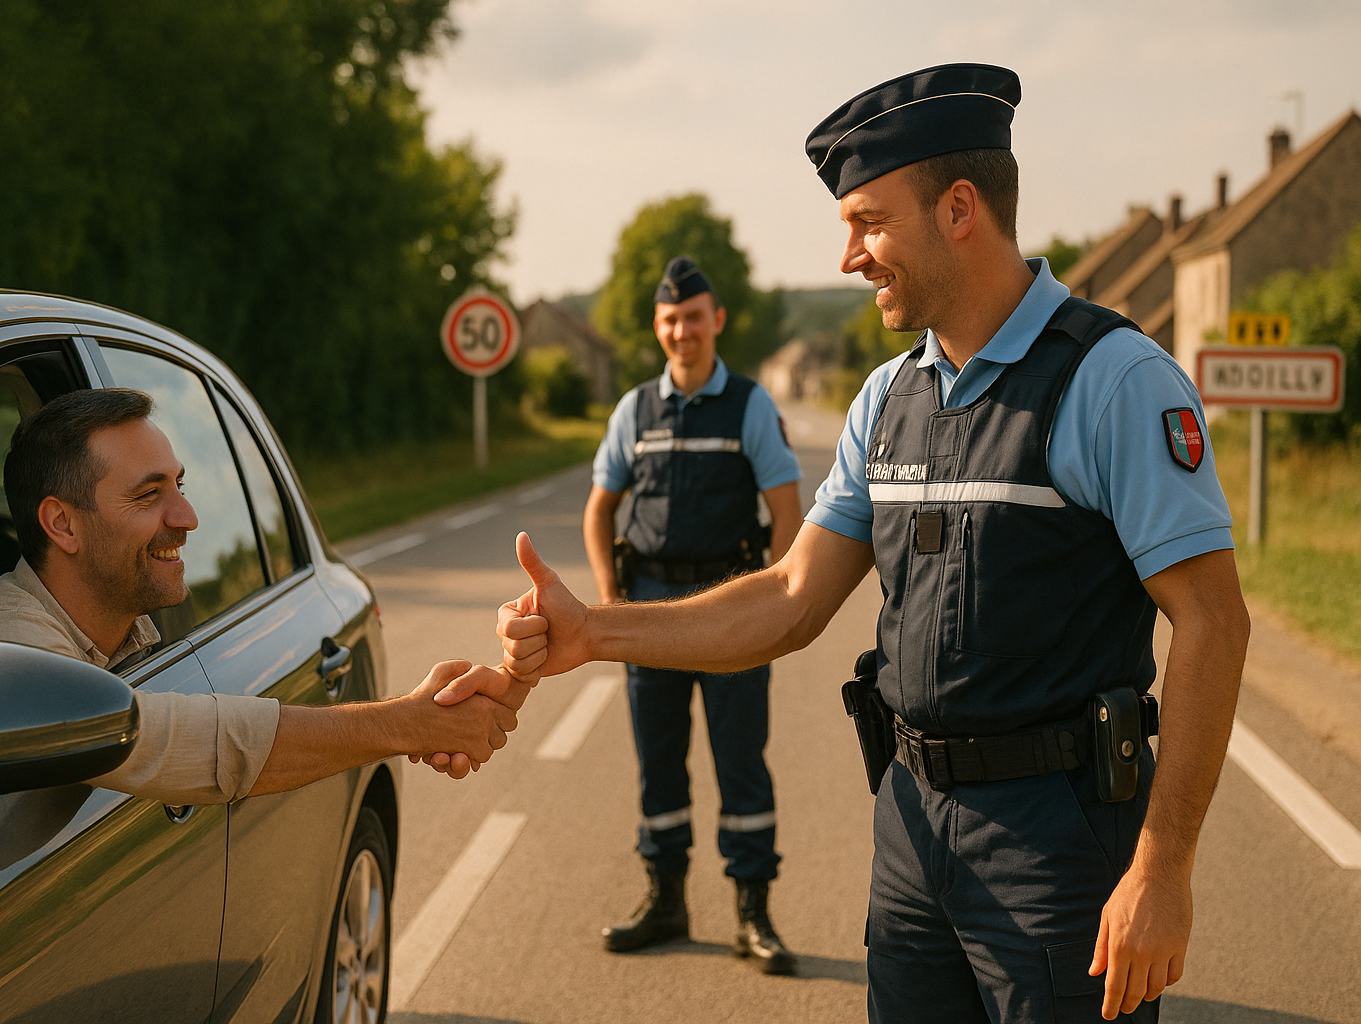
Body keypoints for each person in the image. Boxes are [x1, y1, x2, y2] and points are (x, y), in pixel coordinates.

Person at [476, 64, 1249, 1023]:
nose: (850, 256)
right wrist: (594, 630)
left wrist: (1163, 871)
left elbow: (1214, 623)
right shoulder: (886, 401)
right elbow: (791, 597)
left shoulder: (1113, 380)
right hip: (911, 831)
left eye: (869, 222)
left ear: (959, 207)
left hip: (1059, 846)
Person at [0, 388, 524, 806]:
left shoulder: (135, 628)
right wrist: (409, 723)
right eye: (148, 495)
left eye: (179, 485)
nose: (189, 517)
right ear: (63, 525)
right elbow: (161, 737)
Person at [582, 256, 803, 973]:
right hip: (648, 610)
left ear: (717, 322)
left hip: (730, 612)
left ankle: (752, 915)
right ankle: (666, 901)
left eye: (695, 317)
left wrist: (774, 603)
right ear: (659, 327)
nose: (684, 330)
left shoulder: (749, 406)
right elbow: (600, 509)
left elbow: (786, 512)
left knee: (741, 764)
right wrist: (610, 604)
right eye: (671, 320)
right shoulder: (633, 412)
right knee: (659, 767)